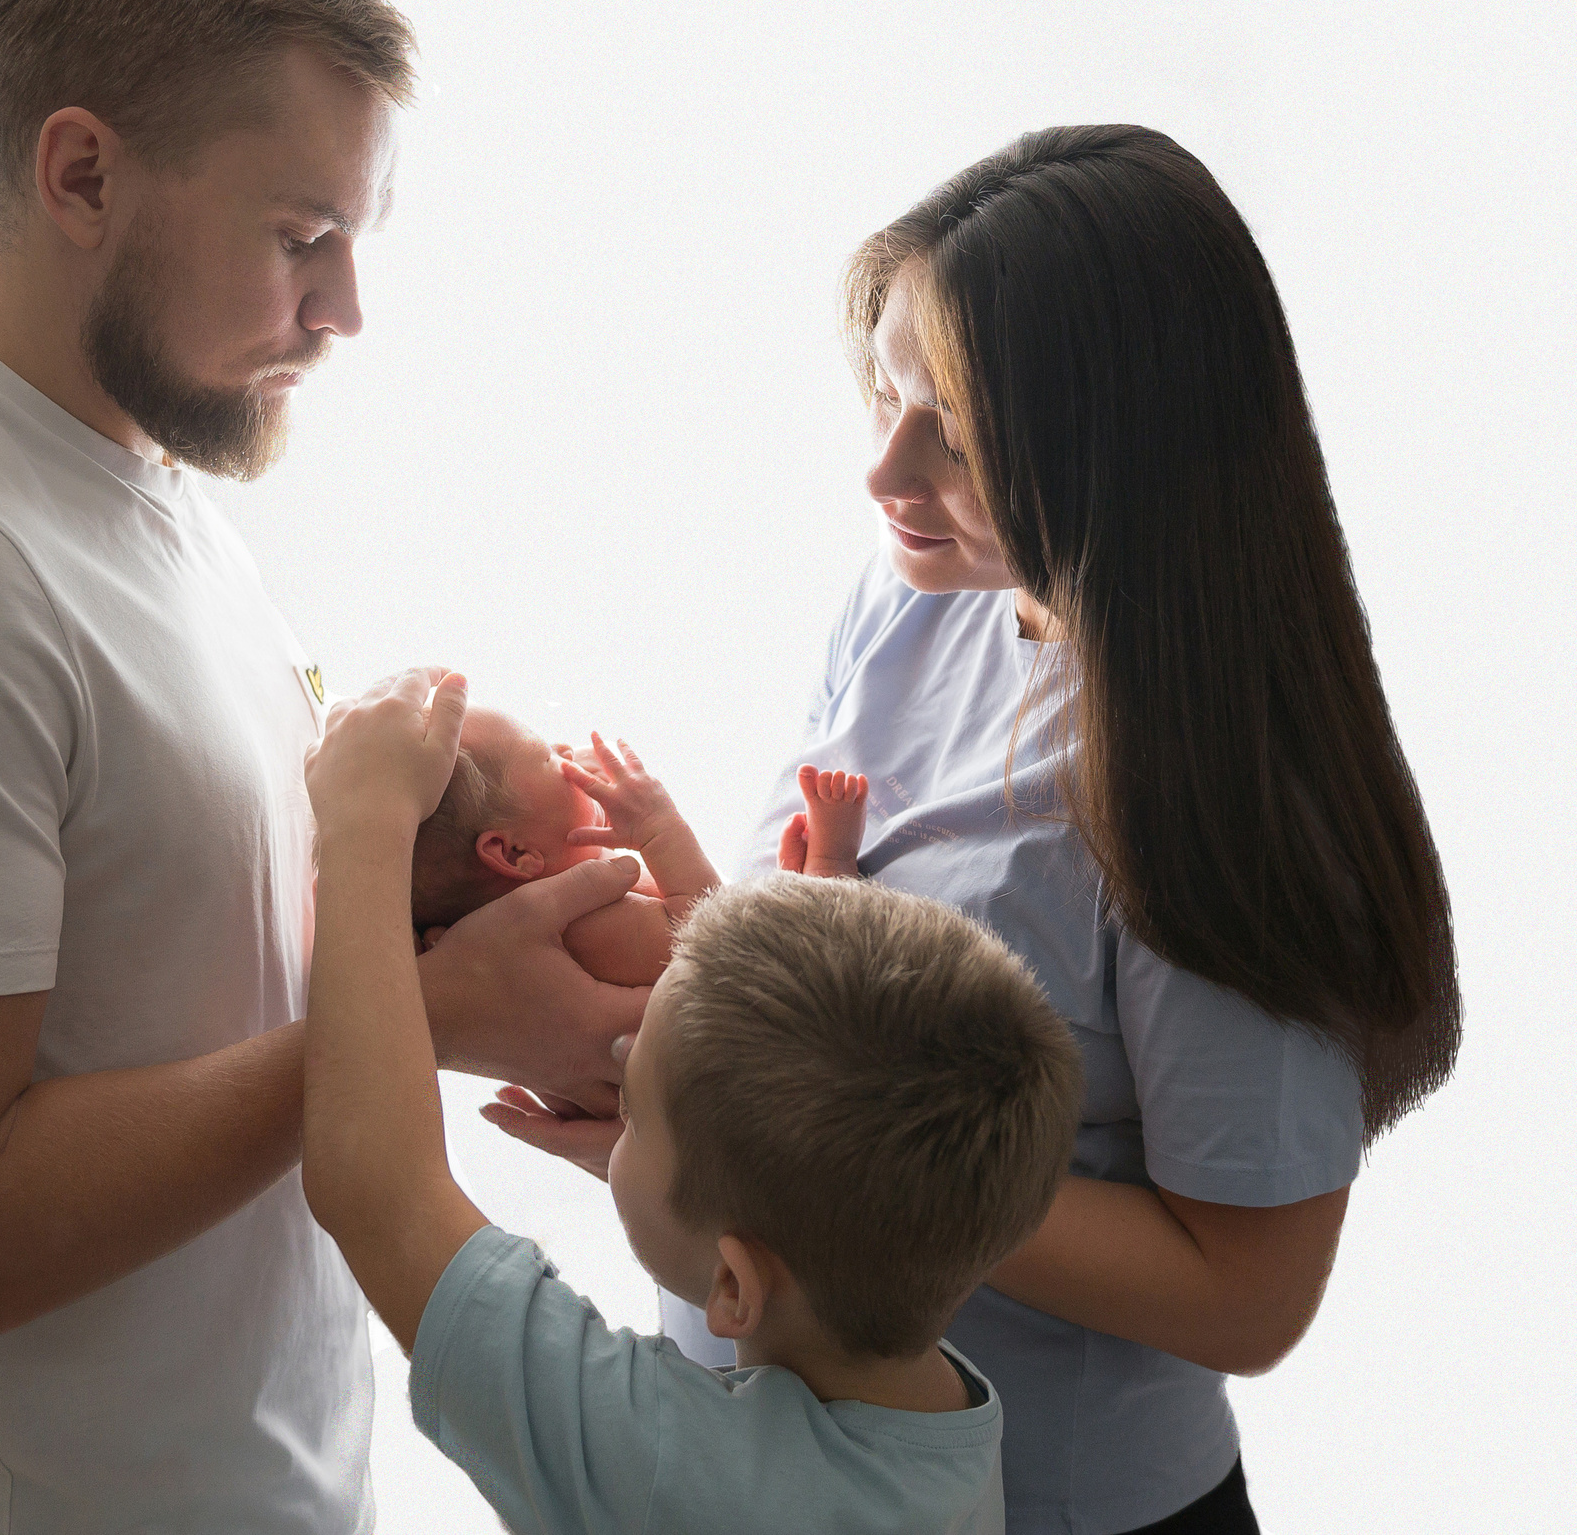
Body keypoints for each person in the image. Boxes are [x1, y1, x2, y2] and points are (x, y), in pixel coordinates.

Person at [0, 0, 646, 1533]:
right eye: (306, 235)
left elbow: (197, 997)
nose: (347, 310)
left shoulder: (176, 524)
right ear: (81, 173)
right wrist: (419, 1023)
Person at [492, 126, 1463, 1534]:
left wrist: (819, 1177)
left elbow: (1246, 1296)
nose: (886, 470)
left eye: (953, 427)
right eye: (886, 394)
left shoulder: (1226, 799)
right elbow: (815, 994)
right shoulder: (914, 600)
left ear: (1119, 449)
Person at [301, 669, 1088, 1535]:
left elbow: (376, 1191)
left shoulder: (671, 1469)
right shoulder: (942, 1412)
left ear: (732, 1282)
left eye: (631, 1105)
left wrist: (365, 823)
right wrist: (696, 1162)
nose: (618, 1080)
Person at [409, 709, 872, 986]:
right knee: (824, 956)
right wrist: (658, 828)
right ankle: (830, 873)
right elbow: (724, 946)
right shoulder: (583, 930)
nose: (567, 750)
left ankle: (795, 894)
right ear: (513, 854)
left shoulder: (529, 925)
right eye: (549, 758)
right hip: (801, 995)